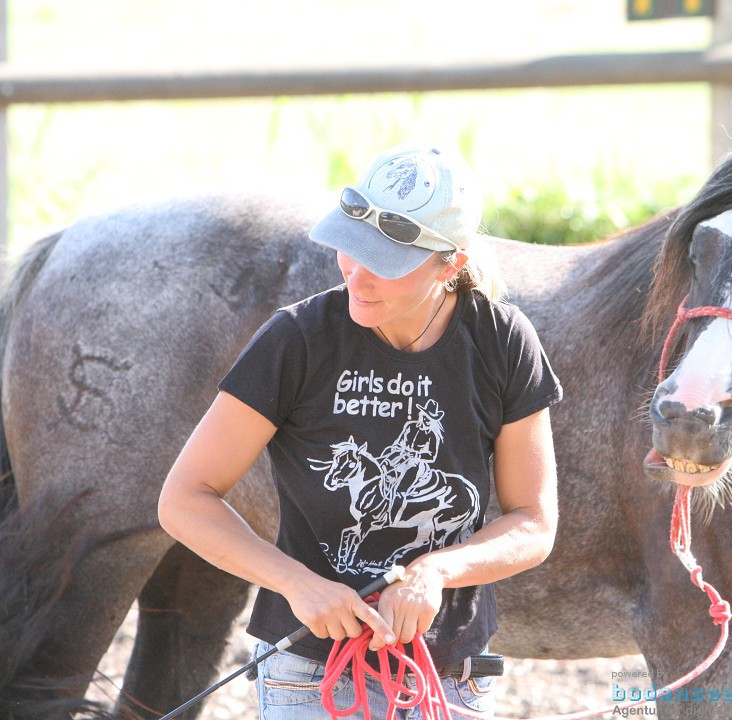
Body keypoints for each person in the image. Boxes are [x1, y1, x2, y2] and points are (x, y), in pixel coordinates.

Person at [158, 145, 562, 719]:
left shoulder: (502, 341)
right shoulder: (296, 340)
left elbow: (534, 523)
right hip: (310, 675)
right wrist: (298, 584)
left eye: (387, 263)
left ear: (450, 264)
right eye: (351, 248)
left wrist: (435, 572)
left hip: (449, 674)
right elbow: (184, 500)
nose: (357, 274)